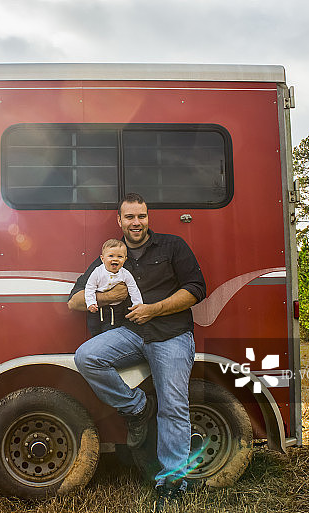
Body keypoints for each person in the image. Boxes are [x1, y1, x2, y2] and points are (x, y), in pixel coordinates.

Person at [68, 192, 206, 504]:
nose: (136, 222)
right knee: (87, 356)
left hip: (170, 334)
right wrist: (107, 296)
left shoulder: (172, 246)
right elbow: (75, 300)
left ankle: (172, 483)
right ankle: (138, 407)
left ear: (148, 218)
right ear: (119, 221)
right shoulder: (110, 257)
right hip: (131, 333)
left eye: (141, 216)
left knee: (173, 405)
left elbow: (197, 289)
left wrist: (154, 309)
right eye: (129, 217)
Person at [84, 239, 143, 336]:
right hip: (97, 309)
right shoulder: (98, 272)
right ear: (103, 259)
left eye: (120, 256)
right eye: (111, 256)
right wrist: (91, 302)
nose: (115, 259)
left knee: (111, 332)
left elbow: (134, 289)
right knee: (94, 330)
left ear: (125, 259)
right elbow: (90, 288)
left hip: (115, 311)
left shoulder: (125, 274)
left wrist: (137, 304)